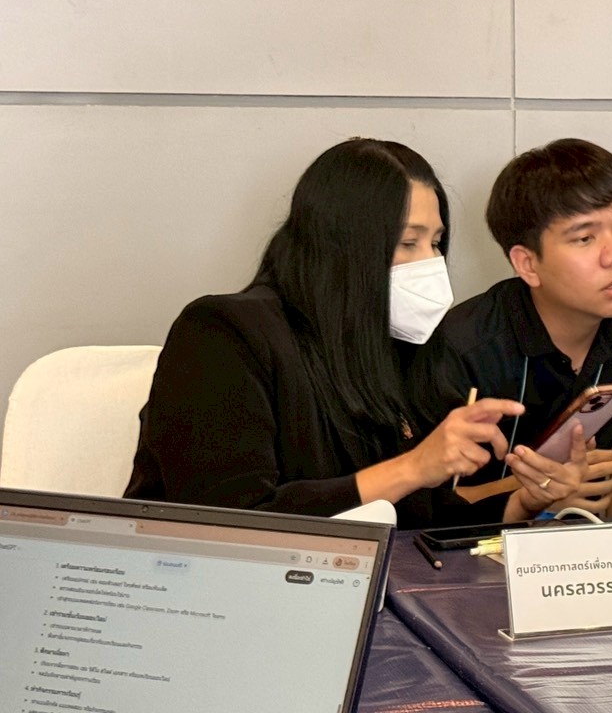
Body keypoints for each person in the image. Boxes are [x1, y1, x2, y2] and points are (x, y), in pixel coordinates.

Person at [127, 138, 585, 526]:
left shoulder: (389, 348)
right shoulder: (222, 333)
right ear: (343, 247)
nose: (430, 263)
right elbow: (229, 519)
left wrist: (527, 502)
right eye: (408, 243)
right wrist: (413, 466)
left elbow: (414, 516)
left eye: (436, 243)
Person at [413, 139, 612, 518]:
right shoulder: (463, 345)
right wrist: (535, 497)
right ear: (527, 264)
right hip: (473, 545)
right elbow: (425, 508)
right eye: (585, 238)